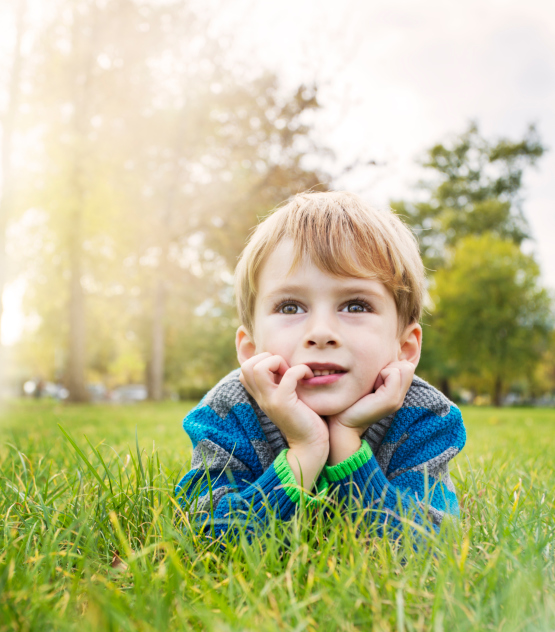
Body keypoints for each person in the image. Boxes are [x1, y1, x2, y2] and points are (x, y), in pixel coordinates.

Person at [175, 191, 466, 541]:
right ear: (251, 350)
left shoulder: (424, 418)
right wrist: (306, 450)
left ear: (404, 348)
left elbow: (429, 546)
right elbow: (206, 539)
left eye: (355, 306)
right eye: (290, 307)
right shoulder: (226, 413)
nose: (321, 333)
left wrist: (346, 442)